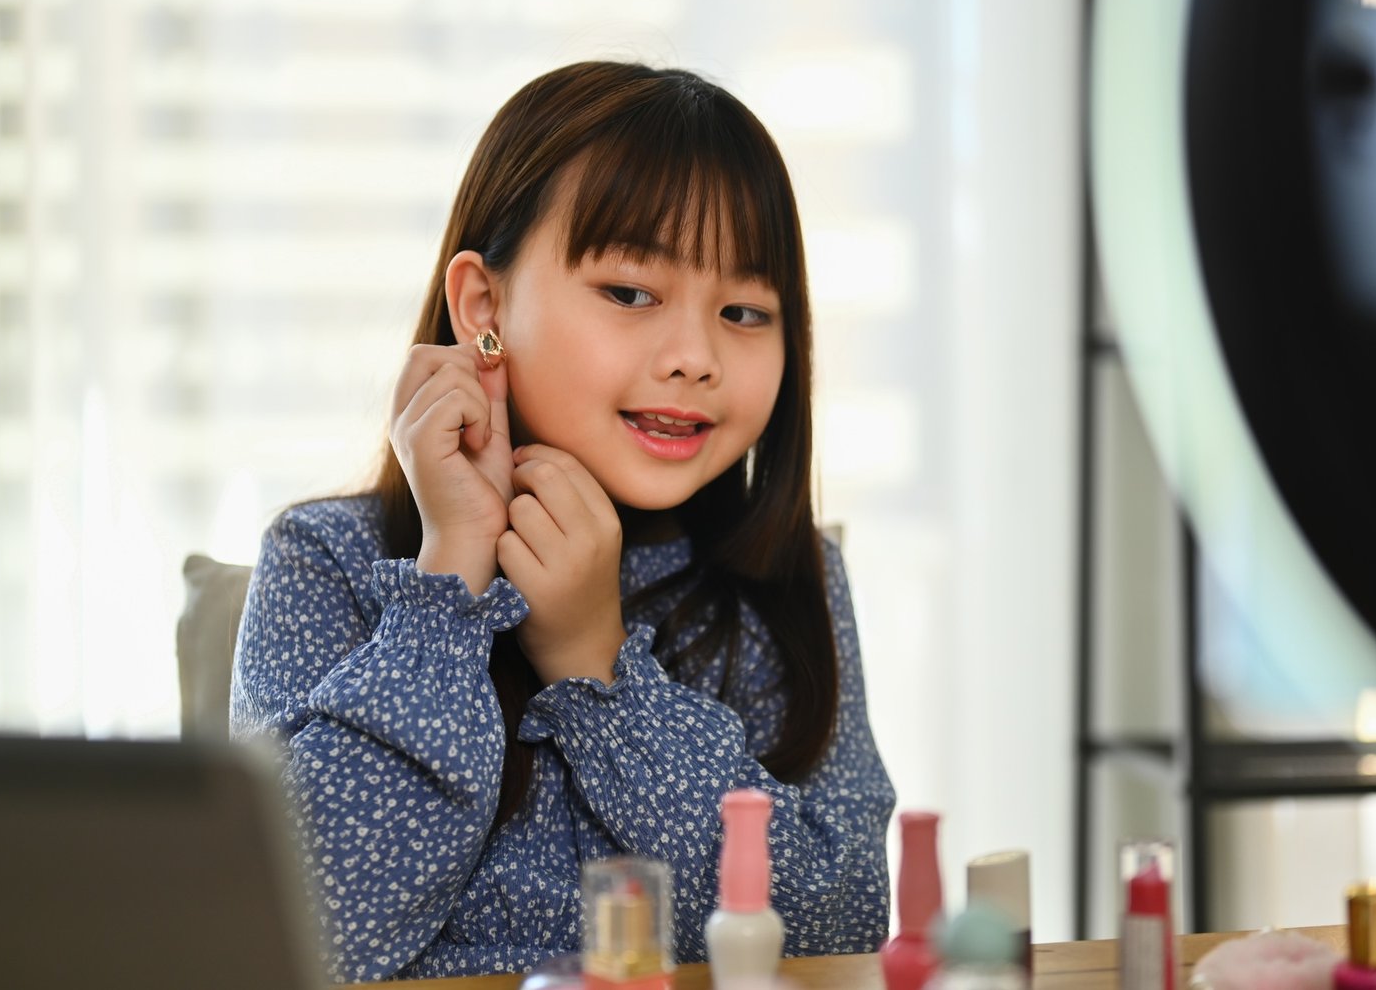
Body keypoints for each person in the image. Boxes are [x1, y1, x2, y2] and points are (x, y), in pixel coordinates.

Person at [229, 61, 896, 983]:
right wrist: (451, 581)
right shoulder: (325, 564)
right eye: (630, 293)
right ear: (484, 309)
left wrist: (597, 665)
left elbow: (841, 924)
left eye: (745, 311)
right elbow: (295, 936)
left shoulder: (790, 578)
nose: (696, 357)